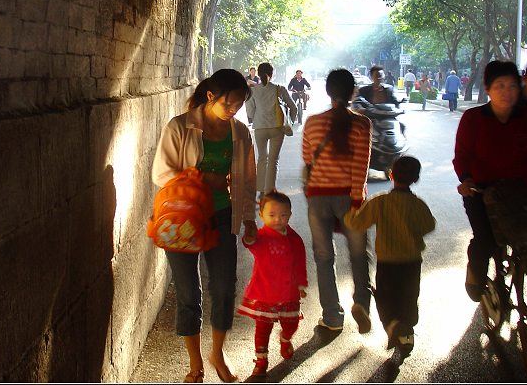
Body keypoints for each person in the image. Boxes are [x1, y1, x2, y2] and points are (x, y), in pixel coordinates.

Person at [151, 68, 258, 383]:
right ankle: (195, 363)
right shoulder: (180, 126)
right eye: (229, 104)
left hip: (222, 216)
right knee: (188, 292)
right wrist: (201, 177)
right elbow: (161, 173)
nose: (234, 110)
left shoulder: (239, 132)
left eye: (239, 105)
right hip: (182, 219)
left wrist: (249, 217)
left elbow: (248, 180)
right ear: (211, 96)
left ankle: (217, 354)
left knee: (224, 288)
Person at [453, 60, 527, 309]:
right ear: (488, 88)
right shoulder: (473, 118)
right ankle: (475, 280)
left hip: (521, 188)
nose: (507, 92)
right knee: (485, 239)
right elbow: (462, 155)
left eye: (512, 86)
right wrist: (466, 179)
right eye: (500, 86)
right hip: (481, 190)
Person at [302, 68, 374, 333]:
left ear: (328, 92)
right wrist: (357, 201)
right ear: (352, 91)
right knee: (358, 255)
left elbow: (308, 159)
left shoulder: (312, 123)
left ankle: (332, 317)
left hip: (319, 198)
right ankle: (362, 305)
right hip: (350, 198)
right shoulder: (362, 124)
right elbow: (361, 166)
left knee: (324, 257)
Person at [343, 156, 436, 357]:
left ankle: (393, 324)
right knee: (410, 296)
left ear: (391, 175)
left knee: (386, 297)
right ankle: (407, 333)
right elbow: (430, 225)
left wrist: (350, 213)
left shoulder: (380, 202)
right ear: (416, 178)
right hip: (412, 261)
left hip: (388, 261)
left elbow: (358, 224)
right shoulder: (418, 204)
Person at [237, 191, 308, 378]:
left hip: (289, 293)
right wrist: (249, 236)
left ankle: (285, 338)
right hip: (265, 293)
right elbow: (249, 243)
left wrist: (301, 284)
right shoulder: (261, 237)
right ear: (262, 216)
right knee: (263, 328)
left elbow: (300, 262)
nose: (278, 219)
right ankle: (261, 360)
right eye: (271, 215)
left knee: (291, 323)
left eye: (283, 215)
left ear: (290, 215)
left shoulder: (295, 239)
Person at [245, 62, 297, 200]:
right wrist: (289, 121)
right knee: (273, 160)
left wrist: (256, 116)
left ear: (258, 73)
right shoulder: (280, 89)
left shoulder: (253, 90)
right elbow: (294, 107)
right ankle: (269, 191)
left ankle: (261, 191)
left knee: (262, 158)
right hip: (277, 128)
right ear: (272, 74)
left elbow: (250, 112)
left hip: (260, 128)